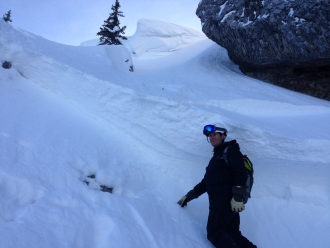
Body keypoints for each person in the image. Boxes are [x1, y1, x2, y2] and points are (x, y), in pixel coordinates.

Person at [177, 124, 257, 248]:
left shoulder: (231, 151)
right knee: (232, 233)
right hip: (225, 202)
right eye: (210, 136)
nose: (212, 137)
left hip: (225, 200)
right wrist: (188, 197)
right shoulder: (216, 158)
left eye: (215, 134)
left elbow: (240, 174)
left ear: (223, 135)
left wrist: (237, 197)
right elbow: (206, 183)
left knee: (214, 232)